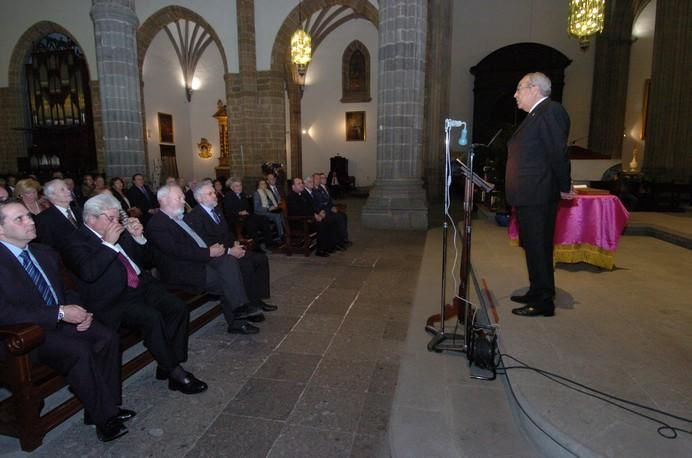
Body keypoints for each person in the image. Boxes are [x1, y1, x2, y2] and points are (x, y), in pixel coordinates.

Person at [0, 200, 133, 442]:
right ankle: (105, 418)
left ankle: (104, 406)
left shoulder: (43, 252)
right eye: (19, 219)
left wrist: (80, 310)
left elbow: (67, 289)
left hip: (60, 321)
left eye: (29, 216)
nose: (30, 221)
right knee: (79, 351)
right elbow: (4, 313)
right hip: (25, 335)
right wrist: (60, 313)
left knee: (107, 337)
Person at [63, 194, 208, 394]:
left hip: (141, 285)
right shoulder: (76, 241)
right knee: (152, 318)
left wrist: (139, 238)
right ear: (91, 219)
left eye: (117, 218)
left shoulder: (119, 232)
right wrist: (107, 244)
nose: (116, 223)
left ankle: (168, 362)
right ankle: (175, 372)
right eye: (110, 218)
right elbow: (89, 273)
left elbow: (146, 260)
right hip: (113, 298)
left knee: (178, 308)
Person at [146, 185, 262, 335]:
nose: (184, 201)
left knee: (229, 262)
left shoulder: (178, 218)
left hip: (198, 259)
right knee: (228, 279)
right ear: (163, 200)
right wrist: (208, 252)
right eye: (179, 198)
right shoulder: (157, 224)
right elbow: (177, 251)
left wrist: (213, 250)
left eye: (183, 197)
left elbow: (194, 243)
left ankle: (240, 309)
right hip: (181, 270)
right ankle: (238, 318)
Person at [505, 72, 574, 317]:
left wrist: (565, 186)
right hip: (528, 195)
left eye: (519, 89)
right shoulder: (535, 115)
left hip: (538, 195)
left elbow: (558, 152)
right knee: (533, 247)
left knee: (540, 248)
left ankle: (544, 302)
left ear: (534, 88)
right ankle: (537, 290)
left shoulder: (550, 111)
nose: (515, 94)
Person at [185, 181, 277, 314]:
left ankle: (258, 298)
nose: (215, 195)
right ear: (200, 198)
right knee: (246, 265)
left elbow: (227, 231)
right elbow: (205, 242)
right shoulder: (194, 217)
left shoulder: (216, 209)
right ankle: (249, 302)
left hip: (230, 248)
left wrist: (235, 243)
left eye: (214, 192)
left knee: (260, 259)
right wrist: (230, 251)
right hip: (217, 255)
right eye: (210, 193)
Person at [287, 177, 336, 257]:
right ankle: (320, 250)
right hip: (299, 222)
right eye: (298, 184)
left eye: (302, 183)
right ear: (293, 187)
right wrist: (313, 216)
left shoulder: (302, 194)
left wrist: (317, 213)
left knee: (327, 221)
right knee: (322, 224)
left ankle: (328, 246)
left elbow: (310, 207)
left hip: (307, 219)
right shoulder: (291, 197)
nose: (301, 185)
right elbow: (297, 212)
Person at [35, 179, 82, 253]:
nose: (69, 191)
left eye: (67, 188)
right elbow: (48, 248)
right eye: (62, 190)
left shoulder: (79, 211)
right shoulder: (44, 219)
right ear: (52, 196)